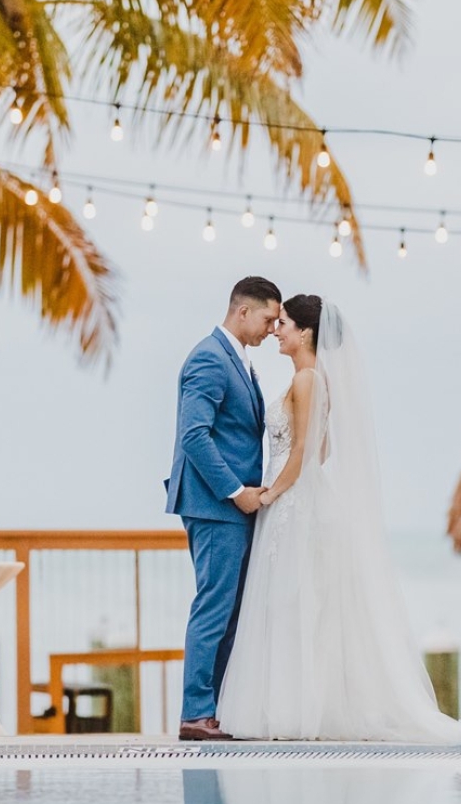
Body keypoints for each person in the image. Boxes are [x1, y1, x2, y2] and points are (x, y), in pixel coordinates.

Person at [217, 295, 461, 746]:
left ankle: (296, 710)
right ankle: (296, 706)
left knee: (295, 606)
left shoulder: (309, 380)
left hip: (290, 503)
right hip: (296, 501)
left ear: (307, 332)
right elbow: (322, 448)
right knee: (293, 606)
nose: (277, 331)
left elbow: (305, 453)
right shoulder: (310, 379)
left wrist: (272, 492)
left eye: (285, 323)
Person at [166, 277, 280, 742]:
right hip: (216, 507)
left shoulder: (238, 359)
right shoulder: (210, 359)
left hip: (232, 507)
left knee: (230, 610)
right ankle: (196, 713)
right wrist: (237, 491)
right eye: (269, 319)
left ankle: (216, 709)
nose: (273, 330)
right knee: (214, 607)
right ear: (243, 312)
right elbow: (194, 435)